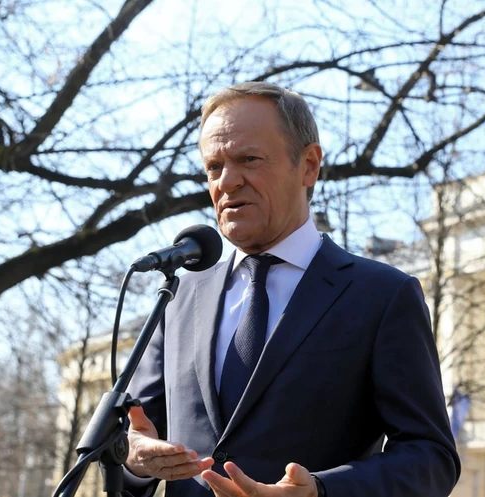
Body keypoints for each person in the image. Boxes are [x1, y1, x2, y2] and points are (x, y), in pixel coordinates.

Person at [123, 82, 460, 497]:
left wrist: (320, 491)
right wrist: (133, 458)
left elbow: (431, 458)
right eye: (213, 166)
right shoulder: (177, 298)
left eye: (248, 159)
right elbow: (134, 437)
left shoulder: (383, 295)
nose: (227, 182)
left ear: (309, 165)